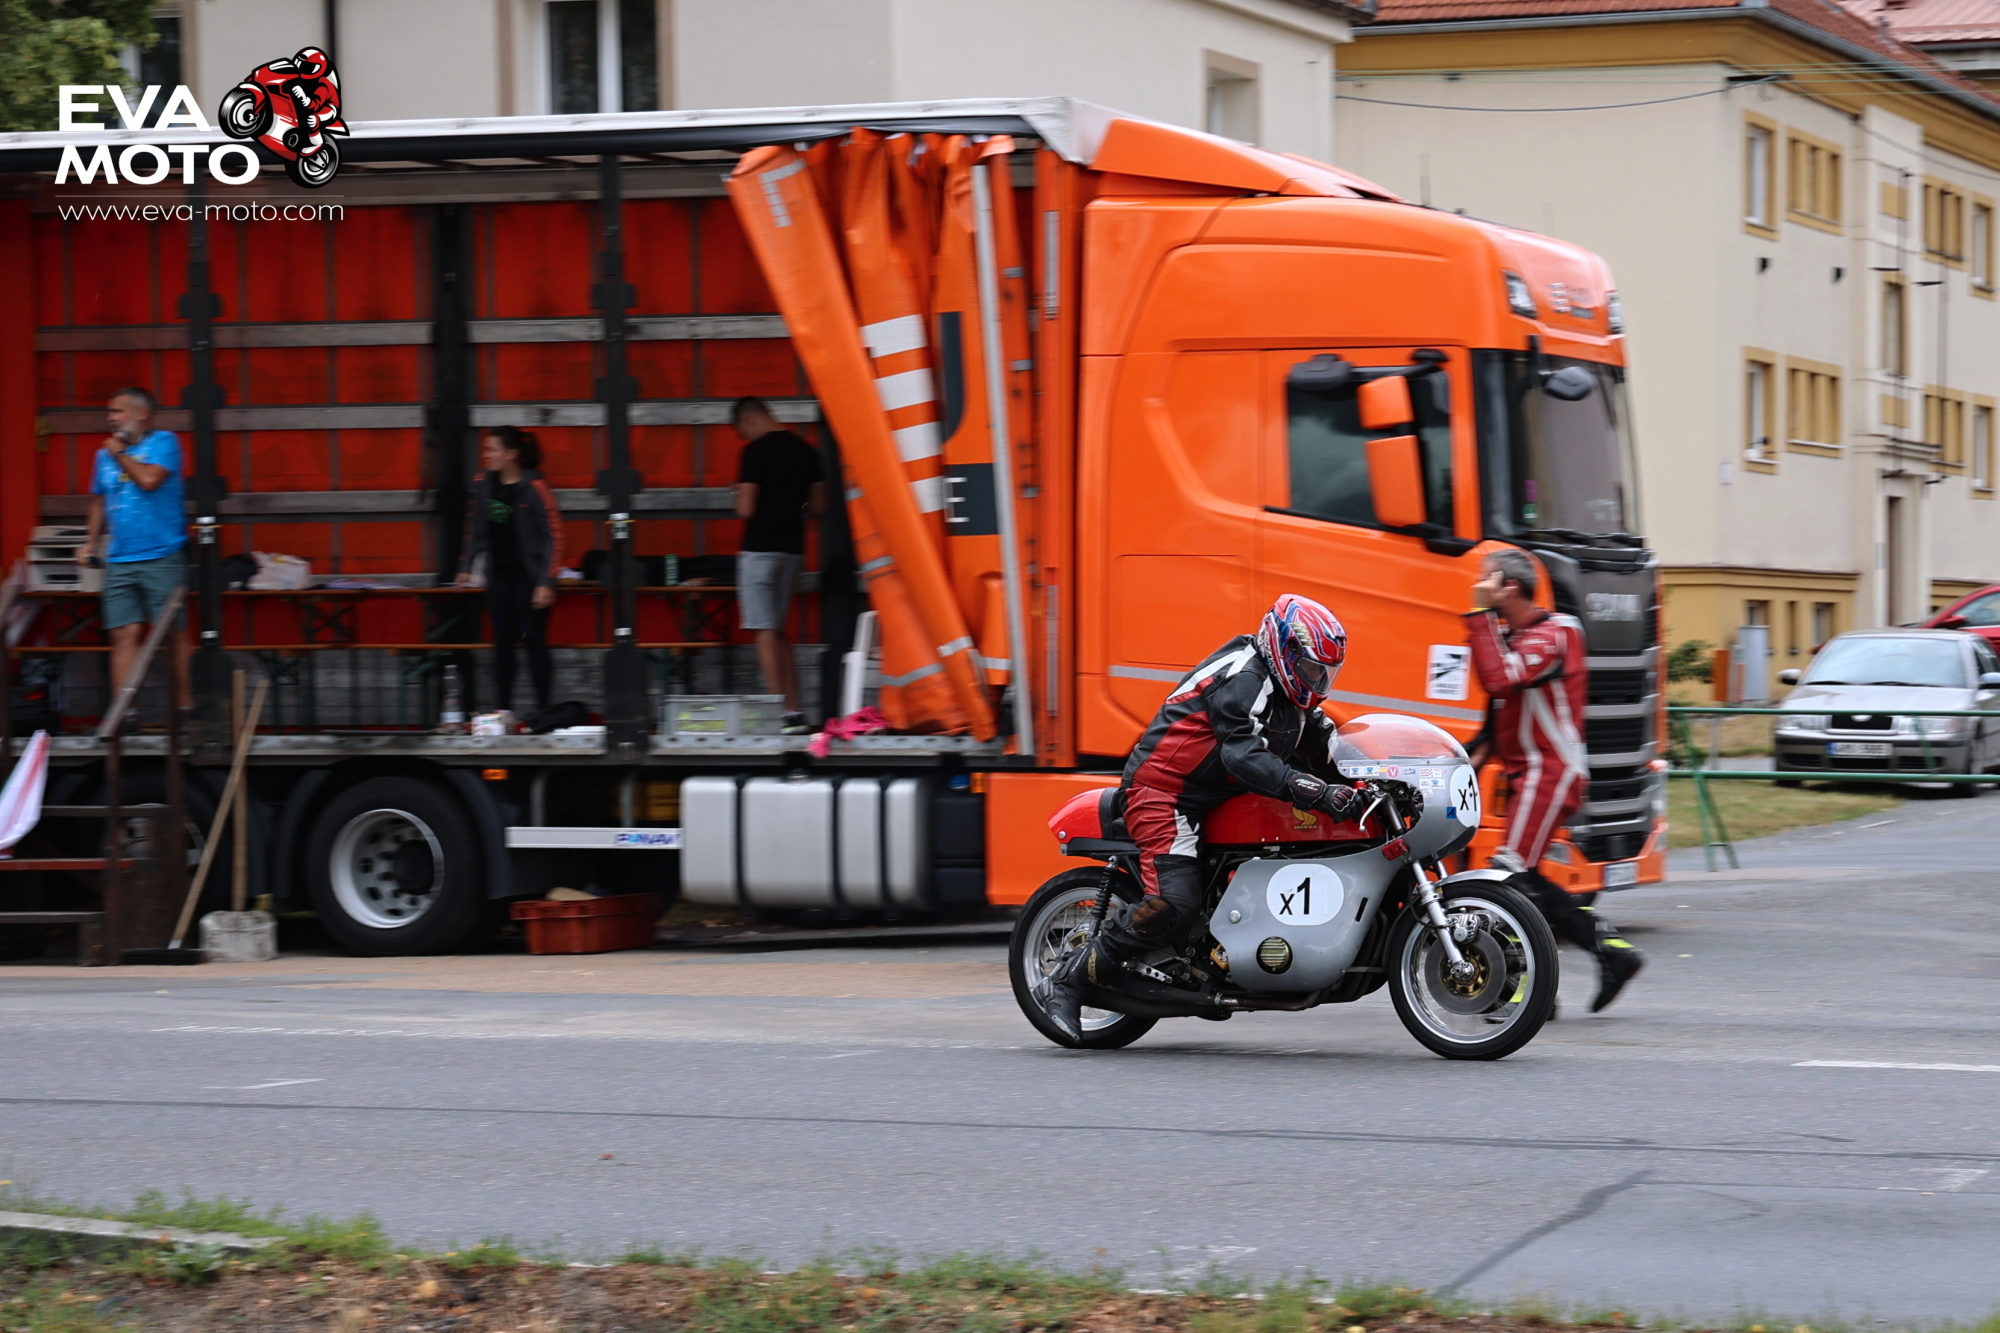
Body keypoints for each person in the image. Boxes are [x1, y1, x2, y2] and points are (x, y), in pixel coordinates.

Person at [1045, 594, 1362, 1042]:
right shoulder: (1246, 676)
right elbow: (1242, 755)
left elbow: (1324, 747)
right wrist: (1313, 791)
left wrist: (1369, 781)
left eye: (1327, 673)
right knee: (1172, 905)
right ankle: (1068, 980)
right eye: (1313, 670)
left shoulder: (1290, 695)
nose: (1319, 681)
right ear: (1285, 651)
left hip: (1216, 795)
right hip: (1166, 793)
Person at [1465, 548, 1642, 1013]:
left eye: (1486, 577)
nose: (1478, 584)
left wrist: (1479, 614)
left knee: (1508, 876)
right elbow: (1495, 718)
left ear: (1509, 586)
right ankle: (1611, 954)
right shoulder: (1511, 636)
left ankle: (1527, 991)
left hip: (1551, 770)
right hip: (1531, 772)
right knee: (1527, 878)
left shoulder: (1556, 633)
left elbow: (1502, 680)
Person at [79, 387, 190, 710]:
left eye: (117, 411)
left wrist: (120, 454)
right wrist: (90, 541)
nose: (110, 418)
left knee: (172, 633)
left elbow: (149, 480)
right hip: (119, 556)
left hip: (162, 554)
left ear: (142, 413)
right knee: (123, 634)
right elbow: (98, 500)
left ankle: (183, 710)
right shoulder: (103, 455)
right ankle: (123, 715)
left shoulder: (164, 442)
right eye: (110, 412)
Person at [731, 397, 825, 735]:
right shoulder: (807, 450)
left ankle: (778, 712)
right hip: (792, 550)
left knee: (764, 630)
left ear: (750, 419)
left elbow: (746, 508)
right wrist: (791, 504)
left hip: (759, 549)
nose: (743, 436)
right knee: (779, 631)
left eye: (741, 430)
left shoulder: (753, 453)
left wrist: (737, 494)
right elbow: (817, 505)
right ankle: (795, 709)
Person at [456, 427, 564, 715]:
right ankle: (503, 711)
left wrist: (546, 581)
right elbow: (473, 528)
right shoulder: (483, 483)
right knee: (502, 641)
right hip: (499, 575)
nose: (486, 455)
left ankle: (543, 710)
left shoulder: (535, 485)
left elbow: (554, 535)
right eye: (486, 449)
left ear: (512, 454)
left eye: (492, 449)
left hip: (529, 576)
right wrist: (465, 567)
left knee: (532, 640)